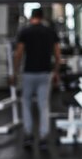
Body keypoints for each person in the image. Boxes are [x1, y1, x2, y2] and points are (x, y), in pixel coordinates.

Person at [11, 8, 61, 150]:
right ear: (42, 17)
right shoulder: (50, 32)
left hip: (28, 73)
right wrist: (56, 72)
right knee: (43, 105)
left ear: (32, 16)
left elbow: (18, 54)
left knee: (26, 103)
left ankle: (28, 134)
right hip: (45, 73)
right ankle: (43, 137)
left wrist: (14, 73)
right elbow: (57, 54)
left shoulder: (25, 32)